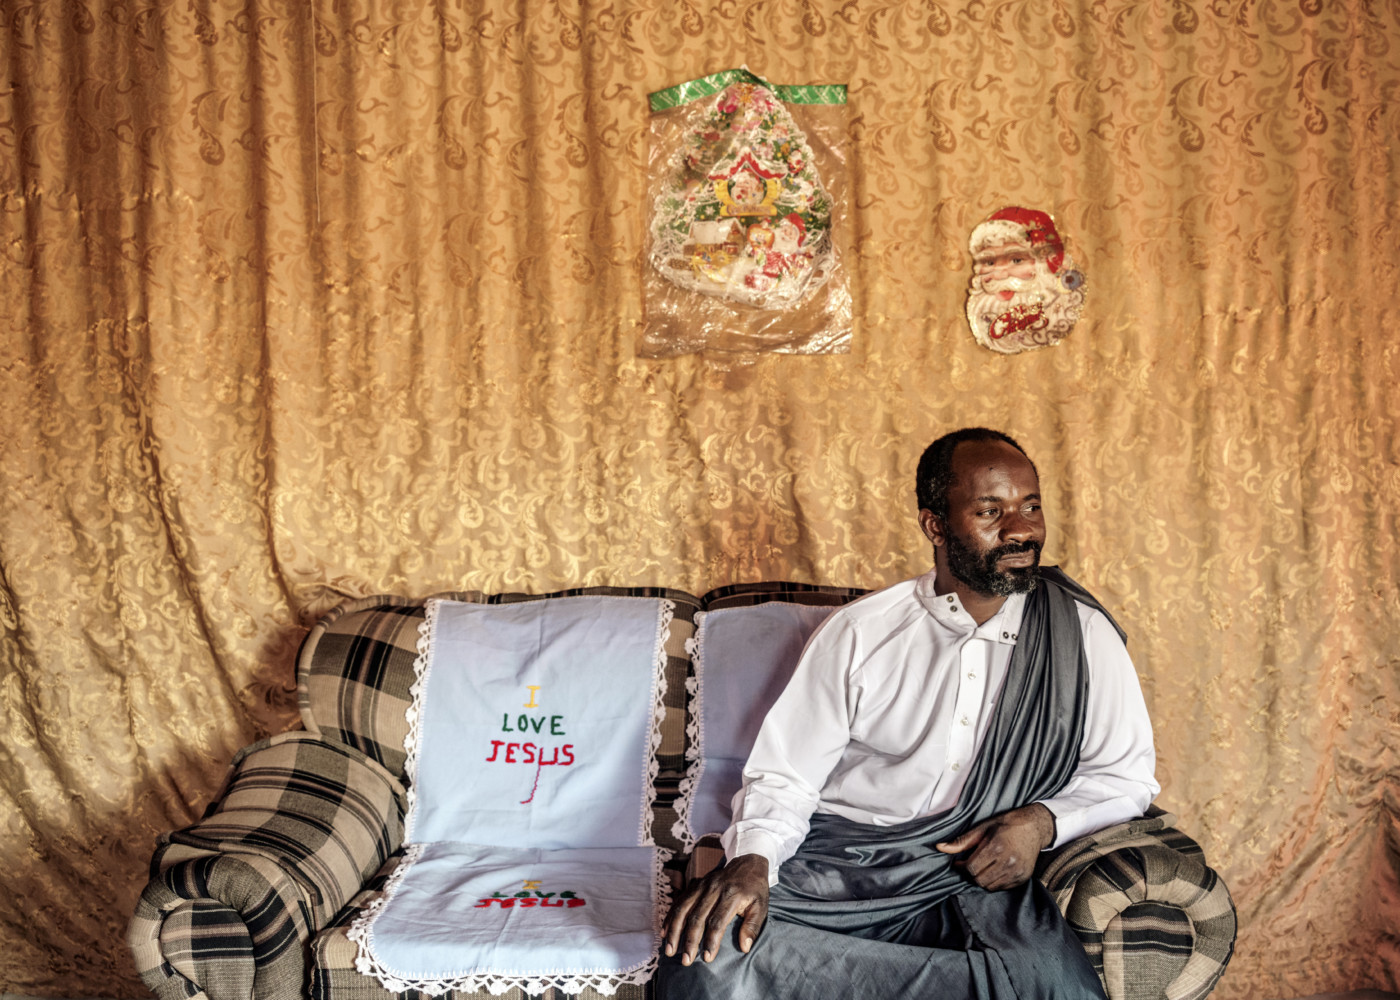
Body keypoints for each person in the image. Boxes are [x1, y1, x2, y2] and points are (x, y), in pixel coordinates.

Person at [659, 427, 1158, 1000]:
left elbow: (1126, 776)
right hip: (841, 866)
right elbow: (786, 776)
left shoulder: (1082, 634)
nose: (1021, 529)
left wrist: (1040, 823)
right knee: (709, 955)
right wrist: (753, 858)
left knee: (1050, 984)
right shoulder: (862, 632)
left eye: (1031, 506)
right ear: (935, 526)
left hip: (976, 880)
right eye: (990, 511)